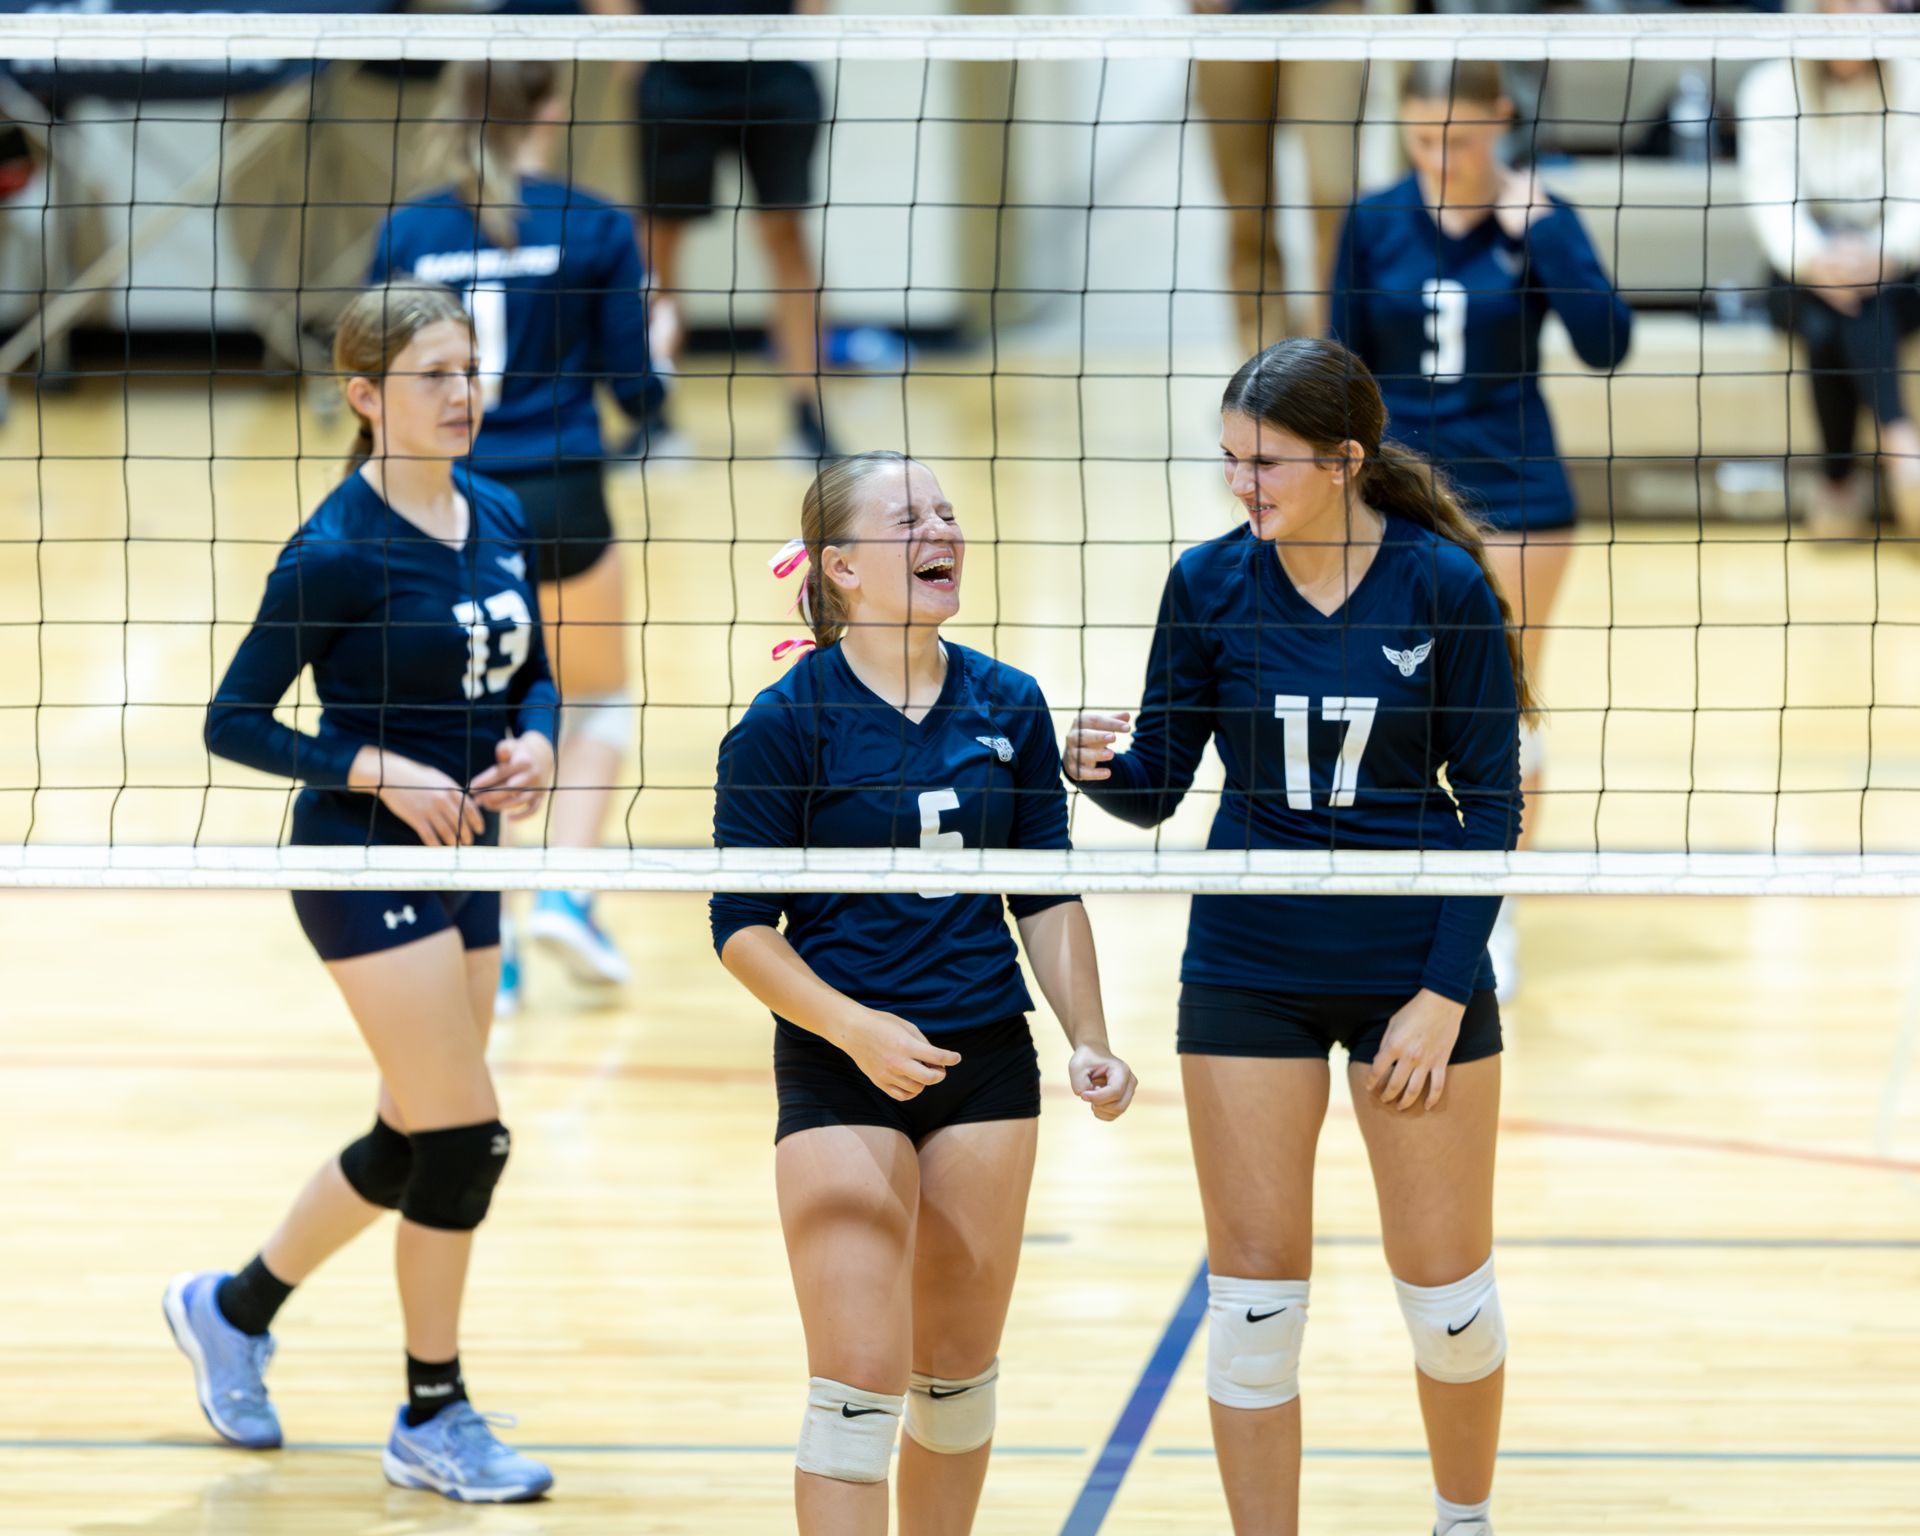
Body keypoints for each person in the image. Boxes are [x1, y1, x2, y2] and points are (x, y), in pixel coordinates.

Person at [1067, 338, 1528, 1536]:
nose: (1241, 485)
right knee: (1255, 1306)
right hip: (1249, 966)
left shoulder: (1440, 588)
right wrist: (1095, 770)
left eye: (1264, 463)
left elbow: (1492, 805)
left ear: (1345, 461)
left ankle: (1462, 1523)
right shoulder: (1208, 582)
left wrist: (1440, 995)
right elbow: (1162, 784)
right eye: (1229, 461)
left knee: (1449, 1301)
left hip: (1409, 969)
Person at [171, 282, 557, 1503]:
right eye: (433, 374)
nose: (462, 394)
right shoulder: (336, 550)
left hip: (467, 861)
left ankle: (231, 1311)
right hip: (357, 857)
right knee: (465, 1137)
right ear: (363, 395)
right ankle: (430, 1416)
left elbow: (532, 672)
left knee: (411, 1136)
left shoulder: (496, 509)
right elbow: (231, 720)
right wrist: (367, 763)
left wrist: (537, 741)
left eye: (469, 370)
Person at [711, 451, 1135, 1535]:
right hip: (841, 1061)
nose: (942, 529)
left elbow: (1043, 890)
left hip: (986, 1060)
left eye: (948, 511)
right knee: (856, 1389)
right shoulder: (782, 723)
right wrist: (856, 1030)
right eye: (910, 518)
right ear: (843, 566)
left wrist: (1089, 1035)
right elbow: (741, 933)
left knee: (953, 1380)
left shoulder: (1010, 702)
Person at [1329, 57, 1632, 996]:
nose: (1441, 156)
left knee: (1503, 702)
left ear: (1500, 120)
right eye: (1423, 137)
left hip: (1517, 497)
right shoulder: (1376, 219)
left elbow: (1608, 344)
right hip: (1398, 502)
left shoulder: (1539, 216)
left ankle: (1491, 908)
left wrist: (1545, 237)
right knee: (1386, 693)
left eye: (1460, 138)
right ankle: (1404, 895)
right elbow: (1340, 368)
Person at [370, 60, 664, 1013]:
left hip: (448, 502)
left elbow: (376, 387)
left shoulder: (409, 233)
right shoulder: (595, 223)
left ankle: (484, 945)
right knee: (595, 708)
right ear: (551, 107)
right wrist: (660, 354)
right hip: (565, 495)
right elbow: (636, 396)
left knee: (472, 717)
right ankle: (567, 896)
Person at [589, 0, 837, 462]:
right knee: (658, 246)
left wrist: (805, 34)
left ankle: (808, 413)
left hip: (774, 68)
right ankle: (653, 416)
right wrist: (632, 55)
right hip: (674, 72)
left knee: (787, 235)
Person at [1737, 0, 1920, 540]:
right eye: (1831, 3)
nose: (1845, 15)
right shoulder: (1770, 85)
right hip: (1801, 270)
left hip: (1900, 269)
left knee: (1842, 314)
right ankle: (1903, 448)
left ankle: (1838, 483)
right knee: (1823, 309)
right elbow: (1772, 204)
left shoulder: (1915, 73)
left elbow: (1916, 199)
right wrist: (1817, 261)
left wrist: (1881, 254)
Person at [1189, 0, 1371, 350]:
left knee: (1335, 199)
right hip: (1228, 24)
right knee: (1246, 210)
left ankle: (1326, 359)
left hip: (1327, 15)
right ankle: (1262, 366)